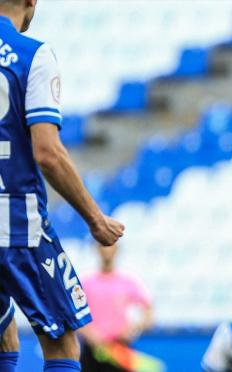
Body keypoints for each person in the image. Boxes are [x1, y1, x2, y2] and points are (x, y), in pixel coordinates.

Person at [0, 0, 125, 371]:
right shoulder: (32, 54)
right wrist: (95, 219)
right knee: (61, 343)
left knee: (4, 331)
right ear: (31, 2)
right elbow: (48, 153)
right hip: (17, 226)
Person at [78, 244, 153, 372]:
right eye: (103, 246)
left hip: (120, 350)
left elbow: (148, 309)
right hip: (92, 350)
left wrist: (133, 328)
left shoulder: (127, 281)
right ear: (96, 249)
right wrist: (90, 335)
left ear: (117, 250)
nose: (107, 251)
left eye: (110, 246)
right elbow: (73, 313)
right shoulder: (85, 282)